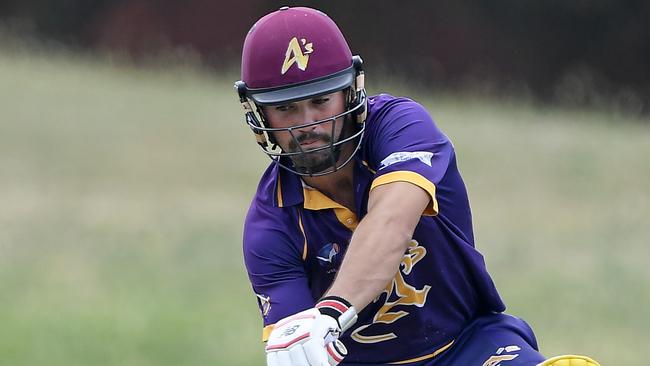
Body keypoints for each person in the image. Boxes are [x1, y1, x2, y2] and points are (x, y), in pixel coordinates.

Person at [235, 6, 600, 366]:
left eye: (320, 101)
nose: (308, 123)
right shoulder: (270, 225)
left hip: (469, 346)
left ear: (350, 90)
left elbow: (391, 220)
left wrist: (331, 311)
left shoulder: (399, 125)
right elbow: (298, 348)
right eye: (286, 109)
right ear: (257, 112)